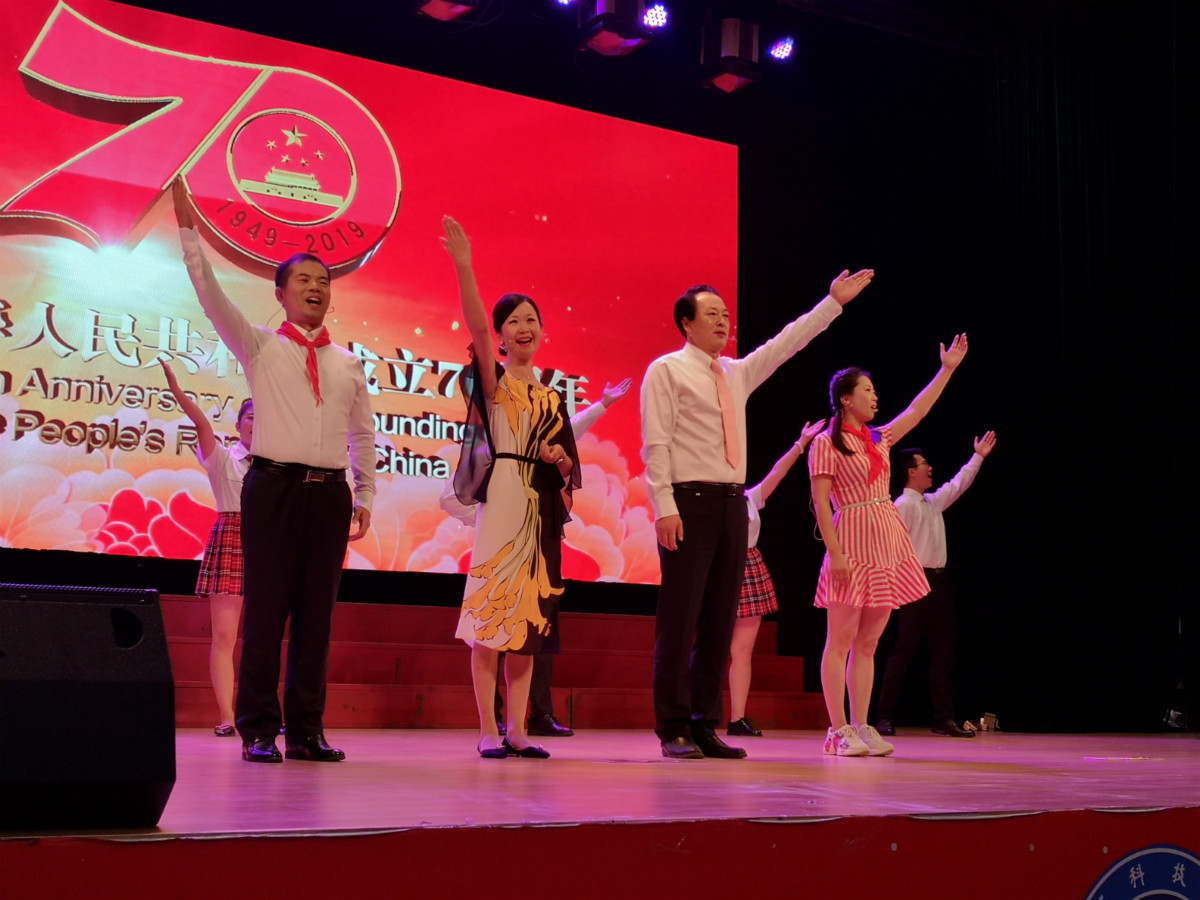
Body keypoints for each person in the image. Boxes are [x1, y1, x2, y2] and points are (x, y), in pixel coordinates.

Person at [173, 179, 375, 764]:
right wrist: (189, 232)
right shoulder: (259, 346)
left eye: (323, 282)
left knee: (317, 616)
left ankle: (306, 730)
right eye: (303, 281)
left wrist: (364, 495)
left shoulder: (348, 364)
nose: (315, 288)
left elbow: (363, 435)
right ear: (281, 293)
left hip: (329, 494)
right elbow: (210, 294)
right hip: (272, 487)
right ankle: (259, 729)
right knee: (265, 612)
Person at [641, 270, 874, 760]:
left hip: (732, 504)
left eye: (726, 314)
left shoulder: (736, 372)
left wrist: (832, 304)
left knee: (720, 621)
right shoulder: (666, 370)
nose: (723, 321)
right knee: (680, 620)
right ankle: (673, 727)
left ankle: (704, 723)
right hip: (689, 500)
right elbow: (656, 444)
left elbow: (787, 343)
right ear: (686, 324)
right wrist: (664, 507)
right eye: (711, 314)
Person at [441, 215, 580, 760]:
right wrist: (465, 266)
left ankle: (518, 730)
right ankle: (486, 729)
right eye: (514, 321)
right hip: (502, 497)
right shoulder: (495, 383)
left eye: (532, 320)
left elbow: (568, 470)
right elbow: (474, 328)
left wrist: (560, 460)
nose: (525, 327)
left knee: (526, 625)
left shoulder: (552, 396)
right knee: (489, 618)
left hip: (538, 509)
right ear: (500, 336)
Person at [439, 378, 633, 738]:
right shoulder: (490, 448)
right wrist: (489, 517)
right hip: (500, 548)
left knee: (534, 632)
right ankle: (493, 724)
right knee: (492, 632)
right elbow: (449, 498)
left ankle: (536, 717)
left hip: (535, 542)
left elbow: (569, 432)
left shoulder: (540, 439)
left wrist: (603, 405)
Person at [809, 335, 969, 758]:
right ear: (846, 399)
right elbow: (821, 504)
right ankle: (837, 730)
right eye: (868, 390)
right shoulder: (826, 442)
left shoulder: (878, 438)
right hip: (851, 537)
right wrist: (836, 554)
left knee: (869, 642)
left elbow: (918, 410)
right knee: (840, 639)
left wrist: (946, 370)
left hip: (885, 540)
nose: (875, 397)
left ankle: (862, 725)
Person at [875, 431, 997, 738]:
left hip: (940, 583)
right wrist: (895, 585)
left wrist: (978, 456)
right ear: (910, 471)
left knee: (943, 654)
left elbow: (958, 483)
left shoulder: (931, 502)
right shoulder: (903, 504)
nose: (930, 468)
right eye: (924, 464)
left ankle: (943, 718)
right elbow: (891, 547)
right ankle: (884, 716)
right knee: (903, 650)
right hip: (915, 582)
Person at [159, 359, 253, 738]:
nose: (257, 423)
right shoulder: (222, 458)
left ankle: (259, 715)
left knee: (262, 639)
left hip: (269, 544)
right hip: (232, 538)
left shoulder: (276, 466)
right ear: (238, 425)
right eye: (250, 417)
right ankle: (228, 716)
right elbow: (201, 424)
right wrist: (177, 390)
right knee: (225, 637)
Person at [727, 418, 825, 738]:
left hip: (748, 568)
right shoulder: (709, 503)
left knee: (742, 651)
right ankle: (694, 716)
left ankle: (737, 718)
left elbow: (777, 473)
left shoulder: (749, 498)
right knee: (708, 649)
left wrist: (801, 444)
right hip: (718, 569)